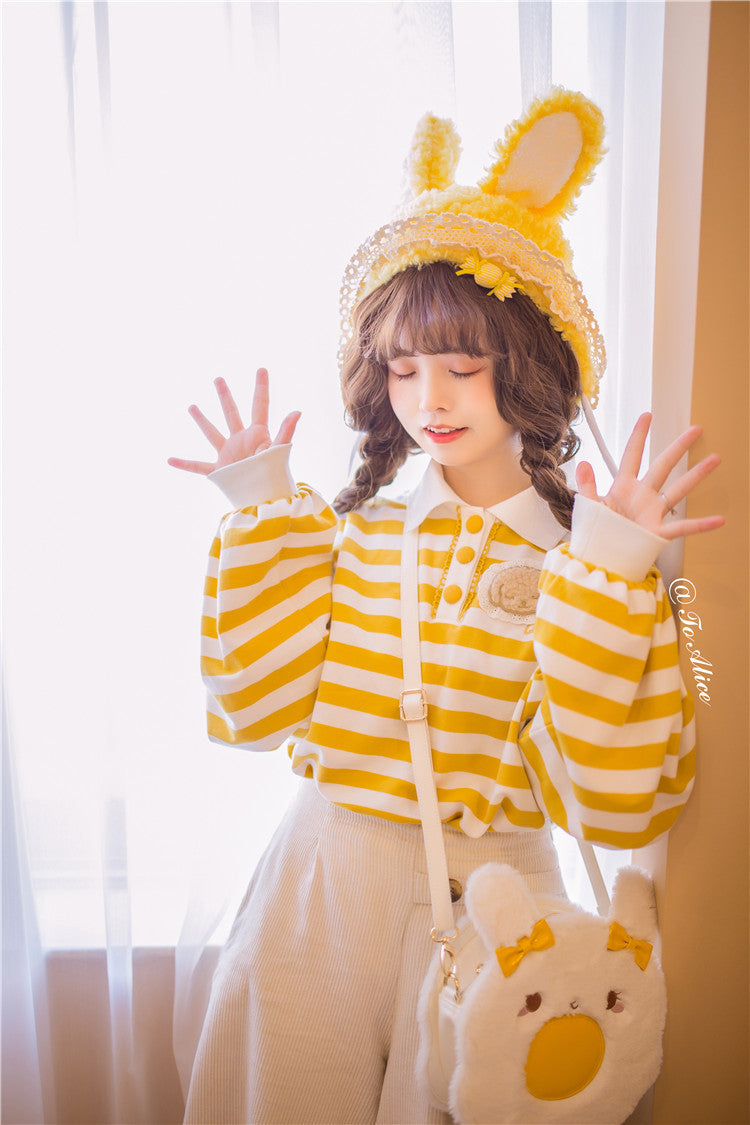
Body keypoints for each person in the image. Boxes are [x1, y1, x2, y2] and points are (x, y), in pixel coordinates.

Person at [169, 92, 723, 1125]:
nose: (431, 397)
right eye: (405, 367)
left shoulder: (584, 568)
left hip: (500, 896)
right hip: (322, 880)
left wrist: (614, 568)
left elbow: (614, 801)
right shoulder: (353, 535)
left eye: (464, 367)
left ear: (531, 370)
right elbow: (253, 707)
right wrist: (260, 510)